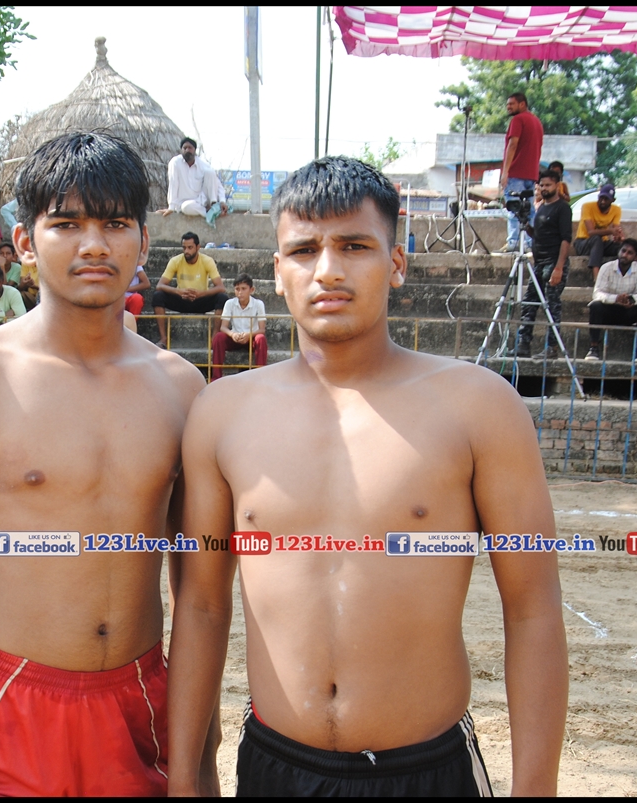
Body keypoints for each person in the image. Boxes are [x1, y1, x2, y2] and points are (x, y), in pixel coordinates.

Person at [167, 156, 567, 797]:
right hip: (274, 767)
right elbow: (203, 606)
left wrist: (536, 789)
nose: (328, 269)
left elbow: (533, 610)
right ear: (278, 271)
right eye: (305, 250)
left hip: (425, 772)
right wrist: (186, 776)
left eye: (354, 246)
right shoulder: (223, 414)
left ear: (397, 262)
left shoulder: (479, 407)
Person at [0, 131, 208, 797]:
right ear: (25, 242)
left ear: (144, 242)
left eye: (115, 224)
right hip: (10, 701)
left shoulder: (181, 389)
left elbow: (199, 591)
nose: (94, 245)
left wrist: (200, 756)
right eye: (67, 224)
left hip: (141, 701)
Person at [514, 170, 572, 358]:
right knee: (529, 302)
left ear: (557, 185)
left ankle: (552, 347)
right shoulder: (541, 208)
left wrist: (559, 267)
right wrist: (526, 225)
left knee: (551, 305)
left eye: (548, 185)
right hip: (538, 263)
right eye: (542, 185)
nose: (544, 188)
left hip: (553, 263)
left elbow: (566, 239)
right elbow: (537, 235)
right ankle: (523, 344)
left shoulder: (562, 208)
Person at [151, 232, 229, 347]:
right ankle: (163, 338)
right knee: (157, 296)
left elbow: (220, 287)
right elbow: (160, 285)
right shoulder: (175, 260)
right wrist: (178, 291)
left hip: (201, 301)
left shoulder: (207, 261)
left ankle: (214, 337)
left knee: (222, 298)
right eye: (184, 248)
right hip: (181, 300)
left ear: (198, 247)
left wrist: (201, 294)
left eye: (190, 247)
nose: (186, 251)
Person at [584, 239, 637, 361]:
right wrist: (616, 299)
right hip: (610, 311)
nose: (625, 255)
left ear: (636, 257)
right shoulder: (606, 267)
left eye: (630, 253)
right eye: (623, 251)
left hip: (629, 311)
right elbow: (597, 293)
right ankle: (593, 348)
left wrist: (630, 300)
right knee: (595, 305)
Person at [498, 92, 544, 253]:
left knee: (514, 208)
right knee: (529, 211)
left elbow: (513, 144)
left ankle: (513, 241)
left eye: (512, 104)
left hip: (516, 172)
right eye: (507, 104)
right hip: (531, 173)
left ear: (522, 104)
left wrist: (505, 172)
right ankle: (529, 243)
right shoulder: (537, 122)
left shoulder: (518, 120)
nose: (508, 107)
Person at [210, 273, 267, 379]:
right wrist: (232, 334)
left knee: (261, 339)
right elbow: (223, 327)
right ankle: (216, 377)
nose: (240, 292)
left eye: (243, 289)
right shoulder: (229, 303)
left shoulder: (258, 304)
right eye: (237, 289)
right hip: (235, 337)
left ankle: (260, 378)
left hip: (251, 338)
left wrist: (249, 335)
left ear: (251, 290)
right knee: (218, 337)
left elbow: (262, 329)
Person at [158, 137, 228, 221]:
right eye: (185, 148)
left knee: (210, 172)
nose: (187, 150)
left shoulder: (203, 164)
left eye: (190, 148)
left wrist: (222, 201)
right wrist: (171, 207)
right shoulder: (175, 163)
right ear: (181, 150)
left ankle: (214, 206)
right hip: (185, 205)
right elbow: (173, 184)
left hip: (201, 201)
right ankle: (211, 213)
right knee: (186, 207)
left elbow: (217, 184)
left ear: (195, 150)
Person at [574, 182, 624, 283]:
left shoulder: (616, 210)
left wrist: (619, 237)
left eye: (606, 199)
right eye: (601, 198)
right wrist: (611, 231)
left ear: (613, 200)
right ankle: (597, 278)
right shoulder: (587, 206)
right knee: (596, 238)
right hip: (583, 243)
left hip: (602, 243)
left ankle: (620, 277)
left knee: (623, 248)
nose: (603, 201)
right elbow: (591, 232)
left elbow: (616, 229)